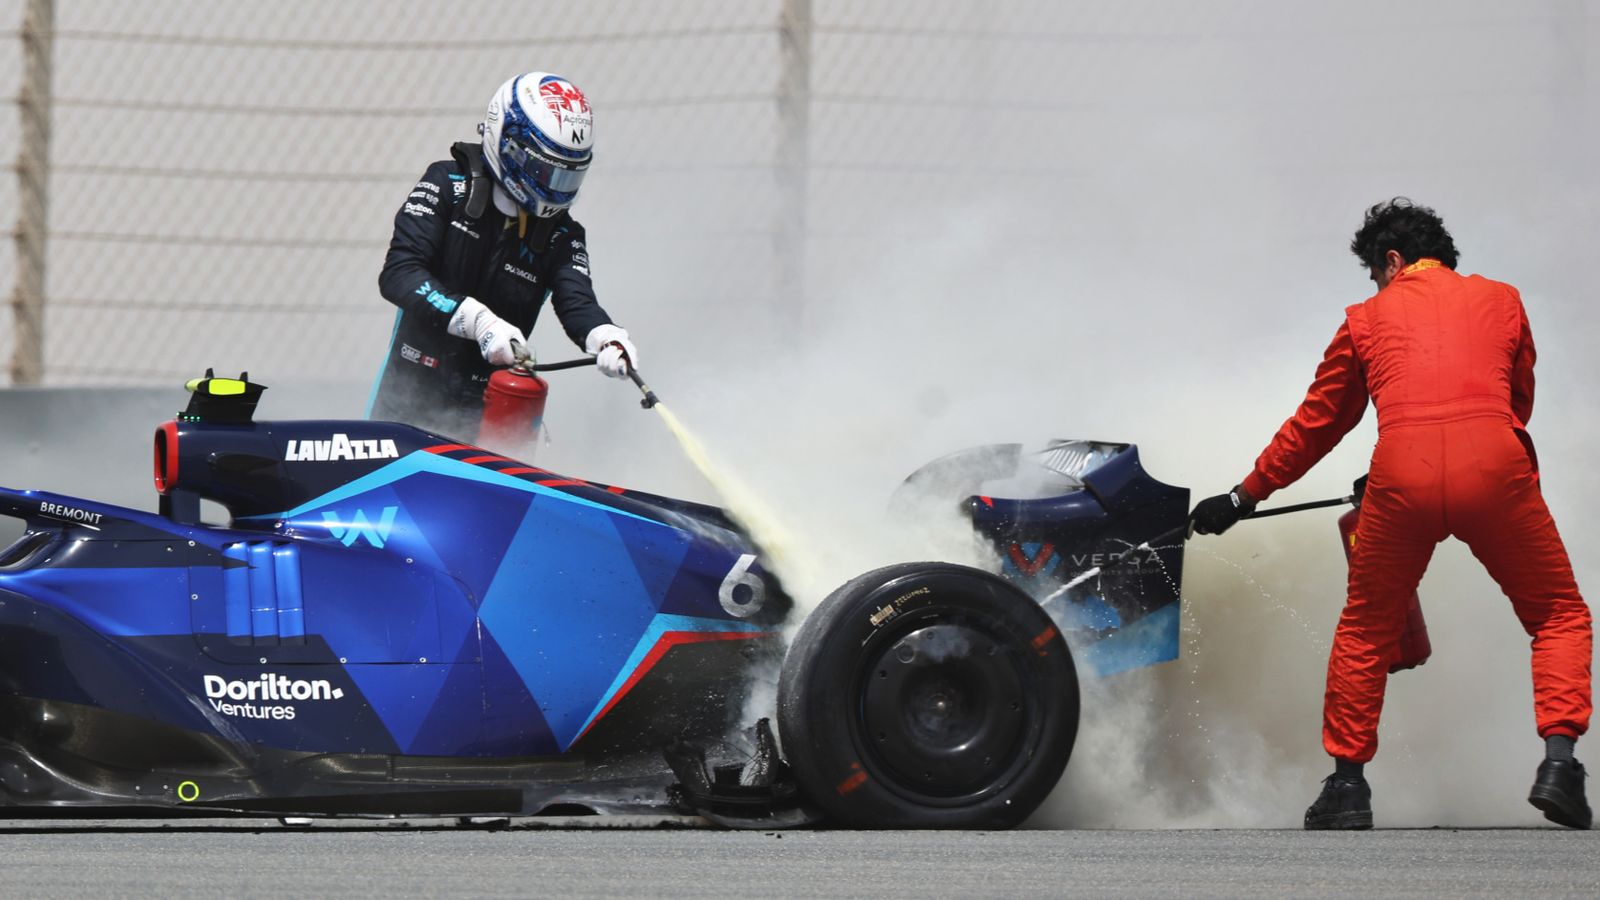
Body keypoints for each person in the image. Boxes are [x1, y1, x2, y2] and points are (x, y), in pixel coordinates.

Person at [1189, 198, 1593, 830]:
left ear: (1393, 262)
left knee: (1365, 630)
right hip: (1498, 472)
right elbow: (1517, 401)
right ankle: (1561, 764)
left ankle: (1347, 787)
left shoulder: (1366, 318)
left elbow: (1316, 426)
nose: (1375, 286)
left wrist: (1243, 497)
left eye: (1375, 272)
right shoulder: (1505, 300)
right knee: (1559, 616)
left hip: (1400, 478)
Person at [368, 71, 638, 439]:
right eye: (546, 171)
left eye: (566, 177)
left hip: (497, 411)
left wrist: (607, 337)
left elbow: (578, 301)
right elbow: (400, 273)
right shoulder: (447, 184)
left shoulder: (563, 234)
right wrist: (479, 321)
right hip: (406, 399)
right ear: (509, 145)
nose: (555, 190)